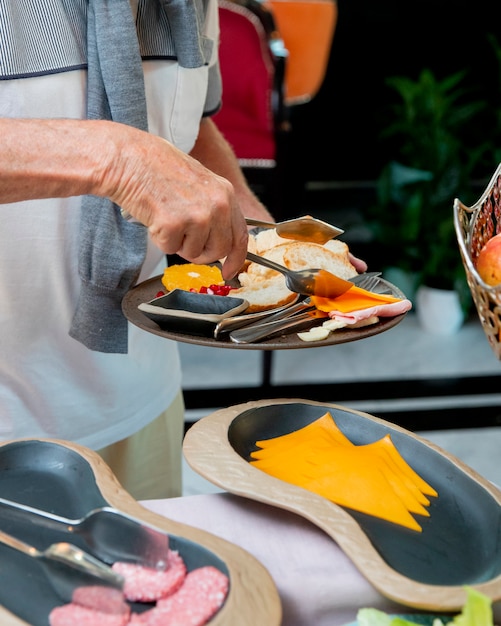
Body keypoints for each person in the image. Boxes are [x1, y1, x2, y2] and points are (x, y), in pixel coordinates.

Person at [0, 1, 276, 500]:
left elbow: (182, 124)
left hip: (143, 392)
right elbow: (139, 154)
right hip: (11, 424)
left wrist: (252, 225)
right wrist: (120, 159)